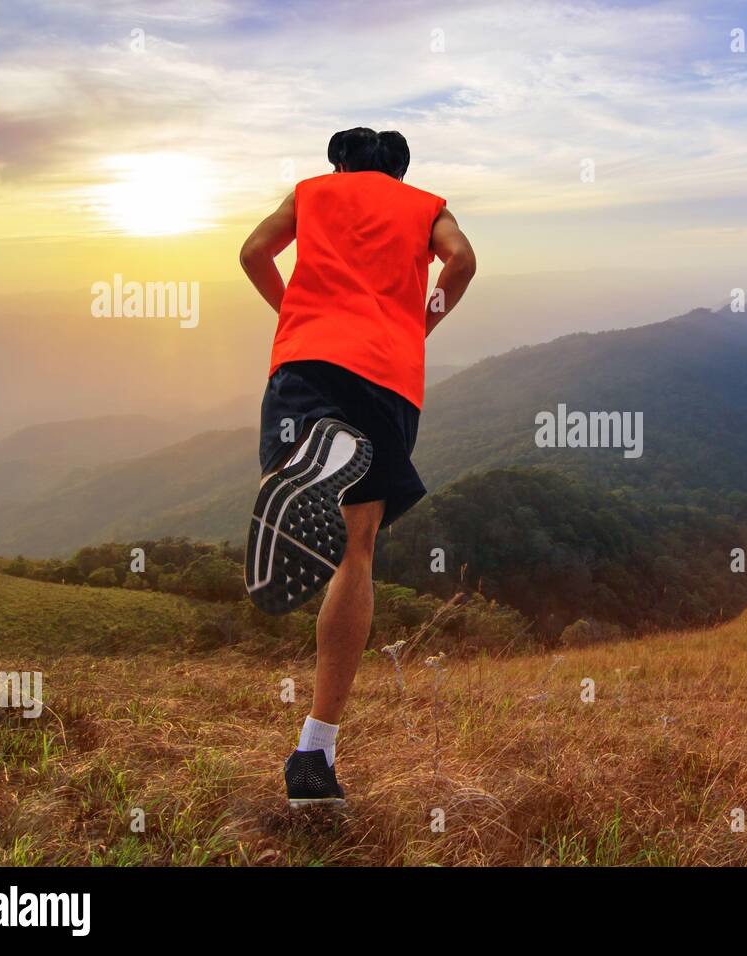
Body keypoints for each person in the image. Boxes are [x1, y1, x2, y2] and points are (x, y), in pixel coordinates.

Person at [238, 127, 476, 806]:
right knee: (356, 550)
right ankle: (314, 754)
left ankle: (308, 452)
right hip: (384, 373)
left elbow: (254, 252)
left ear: (339, 163)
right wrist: (422, 318)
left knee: (308, 469)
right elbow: (462, 263)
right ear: (399, 173)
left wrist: (297, 314)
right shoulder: (425, 206)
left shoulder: (313, 193)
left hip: (305, 360)